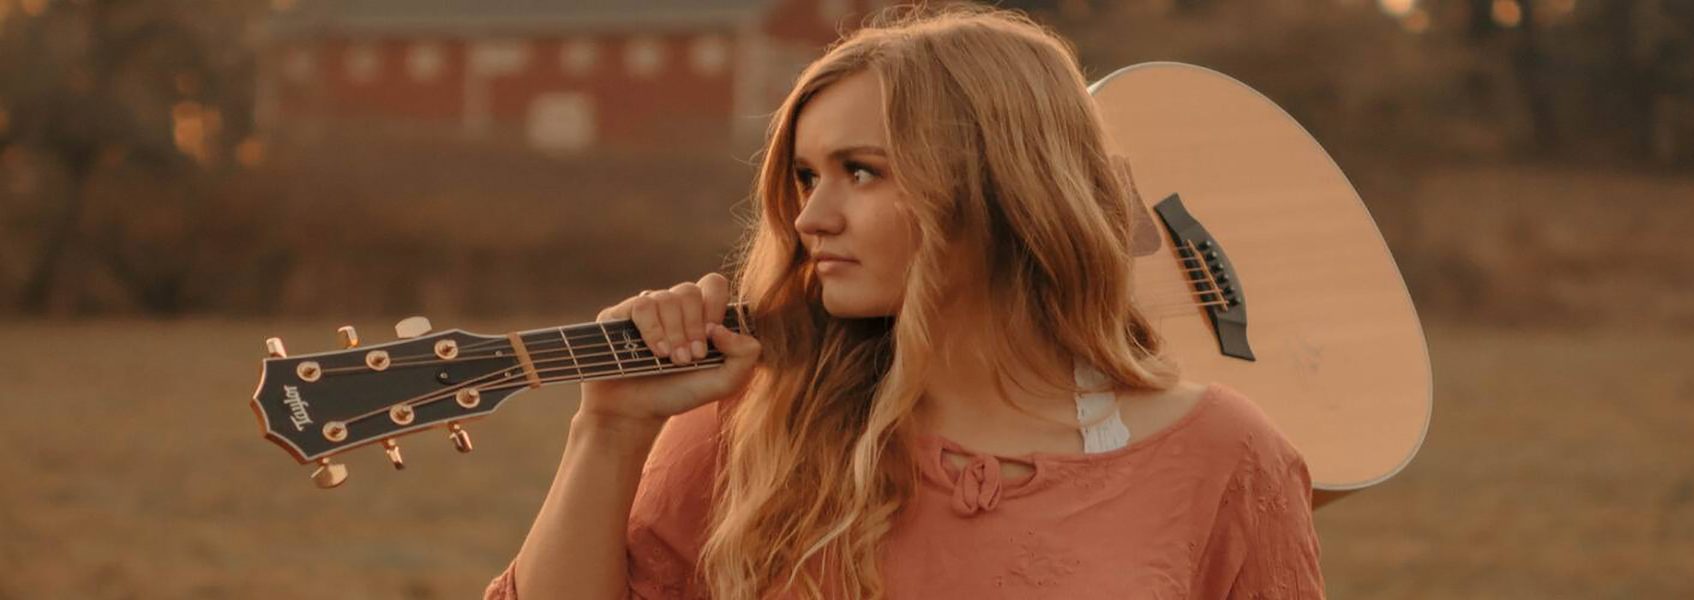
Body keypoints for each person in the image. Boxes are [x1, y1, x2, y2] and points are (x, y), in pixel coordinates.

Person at [486, 5, 1323, 599]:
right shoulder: (752, 426)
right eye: (807, 177)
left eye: (862, 172)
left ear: (1001, 186)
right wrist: (610, 428)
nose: (812, 217)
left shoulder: (1223, 457)